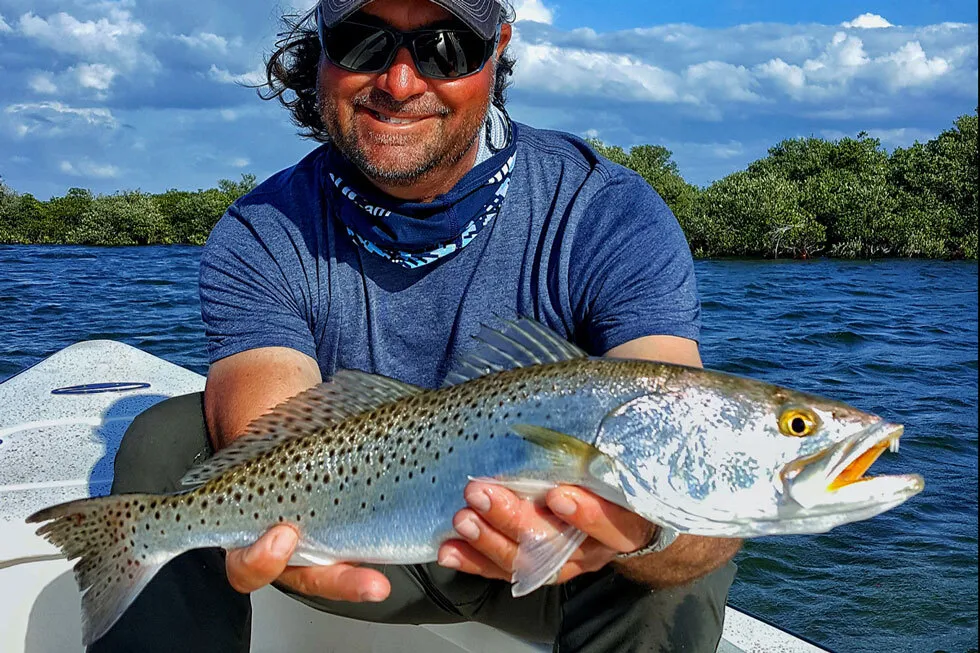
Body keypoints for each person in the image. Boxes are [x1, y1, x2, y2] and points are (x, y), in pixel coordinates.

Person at [95, 0, 740, 651]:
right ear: (318, 50)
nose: (401, 83)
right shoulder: (261, 232)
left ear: (497, 51)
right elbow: (270, 437)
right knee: (167, 439)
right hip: (356, 547)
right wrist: (284, 534)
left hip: (560, 567)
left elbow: (678, 411)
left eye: (445, 48)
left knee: (686, 513)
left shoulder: (608, 211)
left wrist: (647, 529)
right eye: (361, 41)